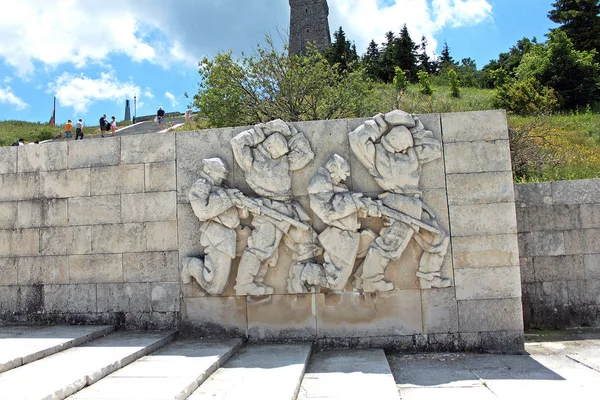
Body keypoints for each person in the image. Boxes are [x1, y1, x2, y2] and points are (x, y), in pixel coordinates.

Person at [349, 110, 450, 292]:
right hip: (398, 204)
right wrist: (381, 122)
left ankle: (429, 277)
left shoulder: (410, 153)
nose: (405, 150)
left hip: (416, 204)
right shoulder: (377, 154)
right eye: (403, 145)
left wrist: (416, 127)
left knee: (438, 238)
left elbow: (434, 149)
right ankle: (370, 280)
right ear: (394, 139)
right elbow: (357, 139)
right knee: (390, 245)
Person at [230, 119, 319, 295]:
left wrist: (289, 132)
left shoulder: (283, 158)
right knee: (261, 248)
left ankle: (304, 281)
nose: (283, 154)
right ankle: (244, 284)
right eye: (280, 151)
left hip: (287, 209)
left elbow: (306, 154)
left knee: (306, 239)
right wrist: (264, 129)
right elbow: (237, 142)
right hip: (268, 210)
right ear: (270, 146)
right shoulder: (251, 160)